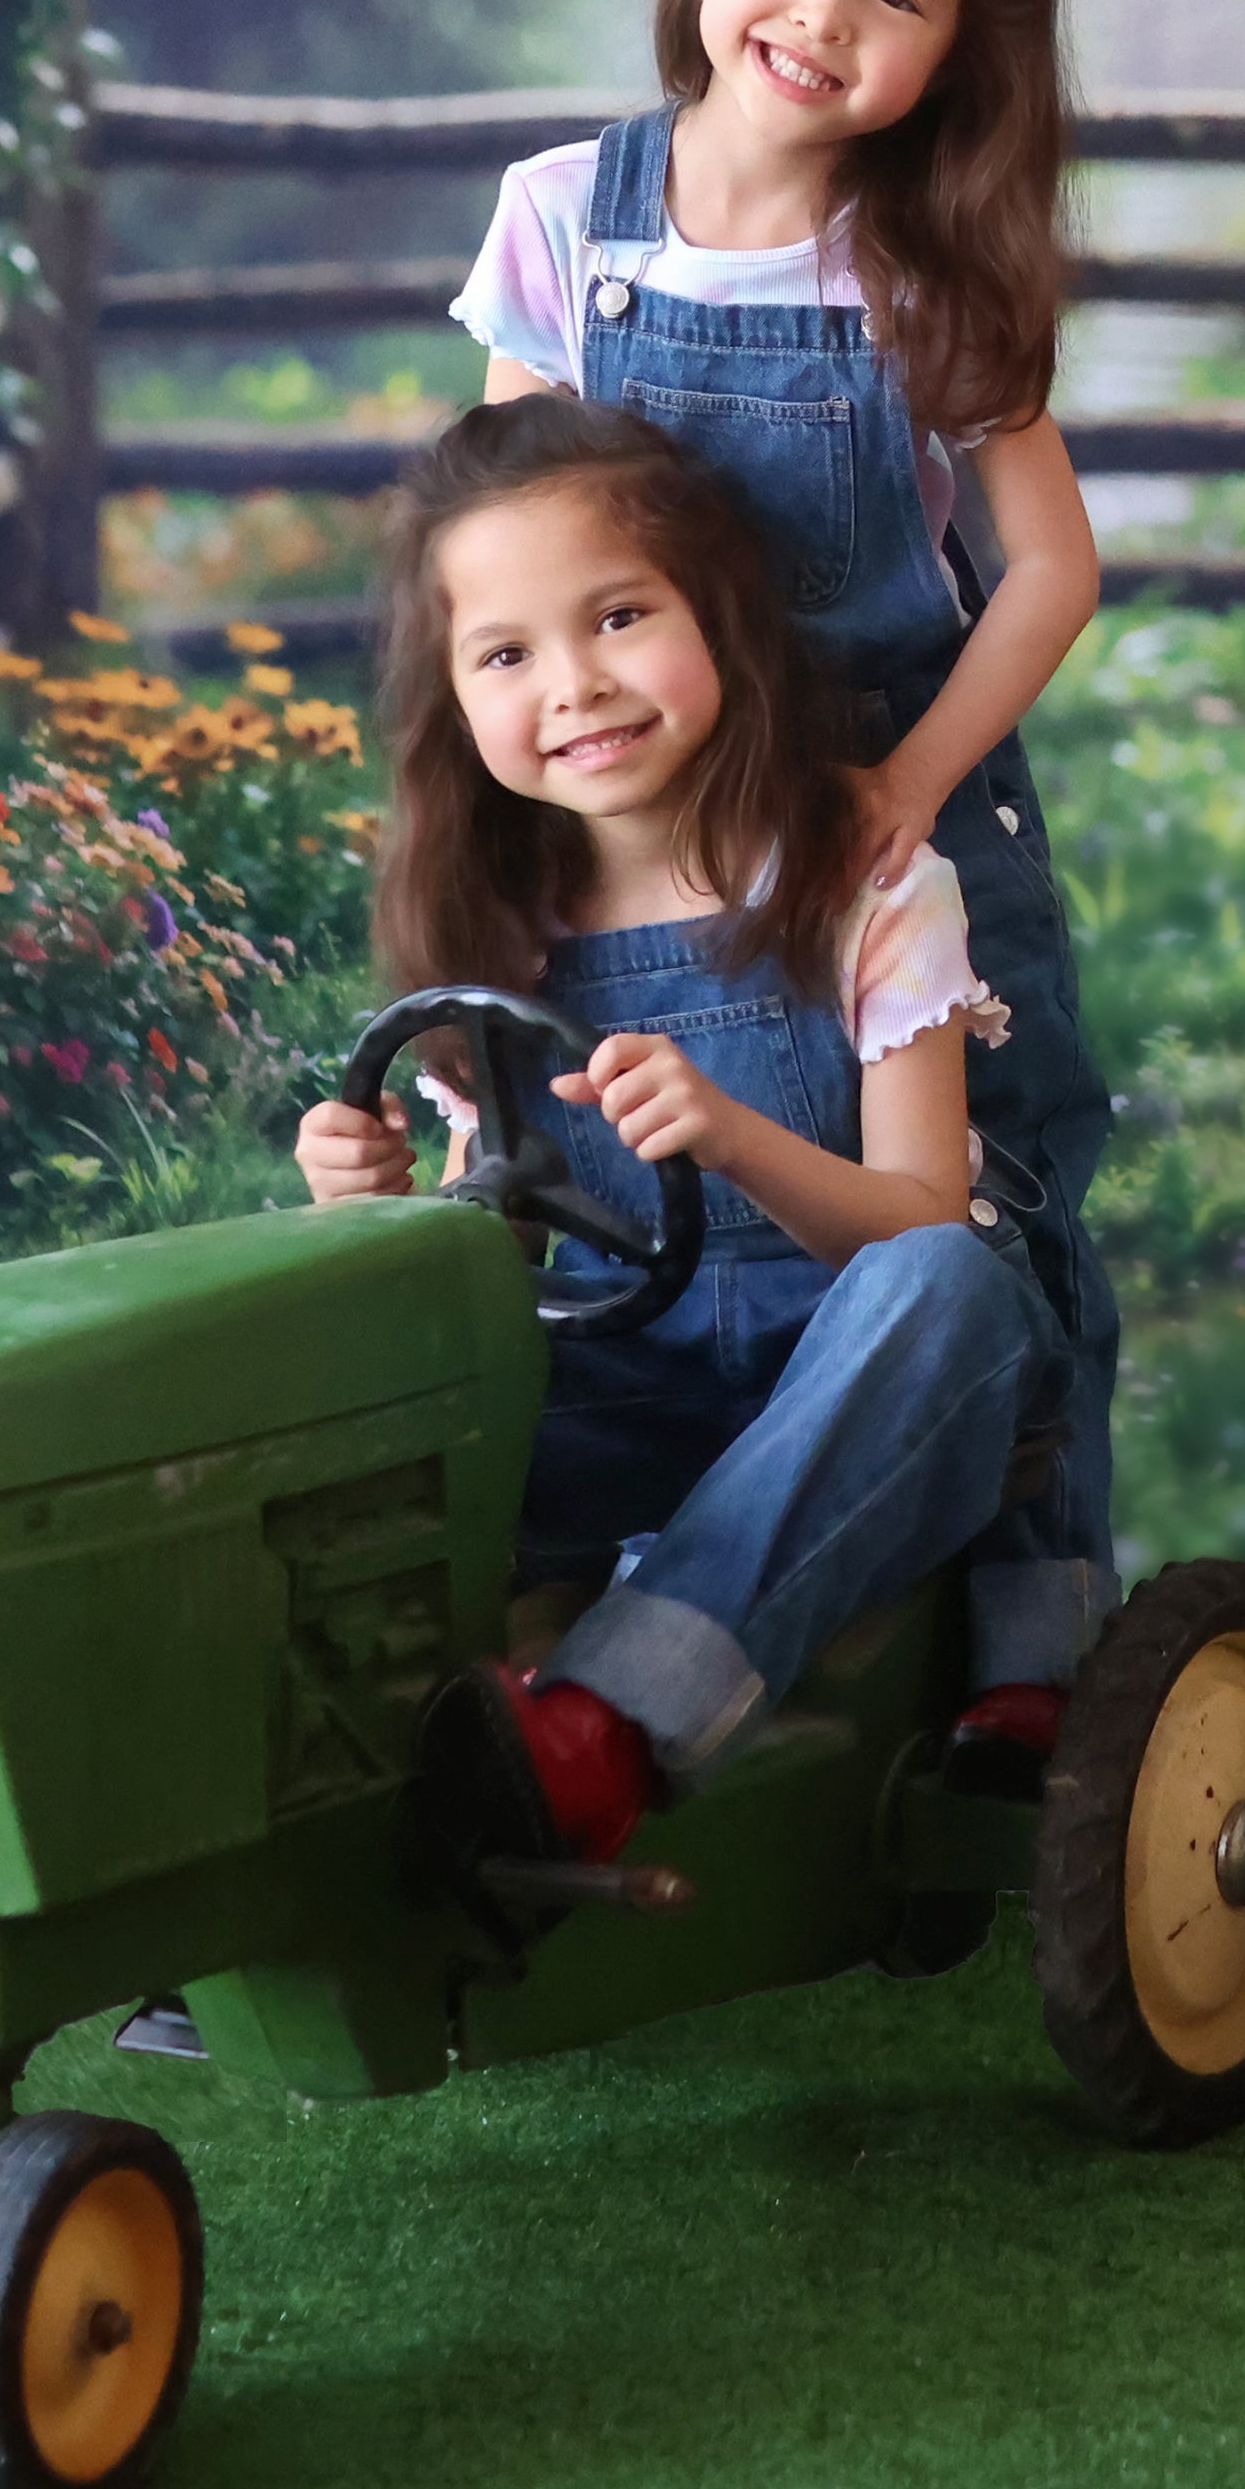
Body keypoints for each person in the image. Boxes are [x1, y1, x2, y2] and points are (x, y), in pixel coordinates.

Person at [448, 0, 1114, 1781]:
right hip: (633, 809)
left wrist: (910, 785)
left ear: (960, 49)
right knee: (609, 1201)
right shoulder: (566, 218)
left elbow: (1050, 571)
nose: (819, 18)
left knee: (992, 1214)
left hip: (880, 816)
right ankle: (592, 1615)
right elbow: (499, 532)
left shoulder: (913, 272)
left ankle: (1030, 1645)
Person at [295, 395, 1082, 1881]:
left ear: (718, 618)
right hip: (626, 1384)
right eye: (507, 655)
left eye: (619, 617)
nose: (576, 685)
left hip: (853, 1375)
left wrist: (733, 1137)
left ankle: (613, 1719)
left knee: (956, 1284)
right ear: (451, 701)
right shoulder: (495, 936)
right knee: (406, 1394)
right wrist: (370, 1205)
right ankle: (353, 1757)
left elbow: (921, 1218)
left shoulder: (860, 882)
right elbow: (496, 1253)